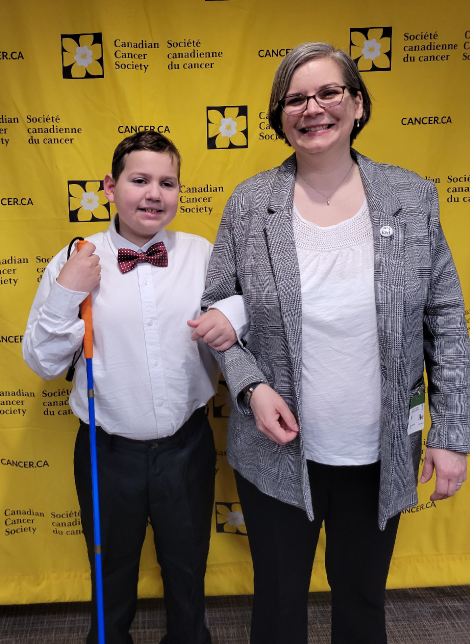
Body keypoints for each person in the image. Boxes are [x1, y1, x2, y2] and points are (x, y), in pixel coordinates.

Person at [198, 42, 470, 644]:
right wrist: (251, 386)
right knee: (277, 610)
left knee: (362, 605)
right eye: (295, 98)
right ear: (280, 115)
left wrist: (452, 436)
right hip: (277, 452)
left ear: (357, 104)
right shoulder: (251, 203)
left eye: (328, 93)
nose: (312, 108)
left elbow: (446, 318)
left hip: (381, 455)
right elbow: (213, 311)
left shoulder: (411, 196)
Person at [23, 131, 249, 644]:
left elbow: (242, 306)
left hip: (186, 447)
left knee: (188, 569)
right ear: (110, 186)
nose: (154, 193)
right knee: (111, 572)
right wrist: (67, 292)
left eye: (167, 182)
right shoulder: (74, 258)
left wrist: (230, 314)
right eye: (139, 180)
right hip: (107, 450)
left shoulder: (200, 253)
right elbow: (40, 360)